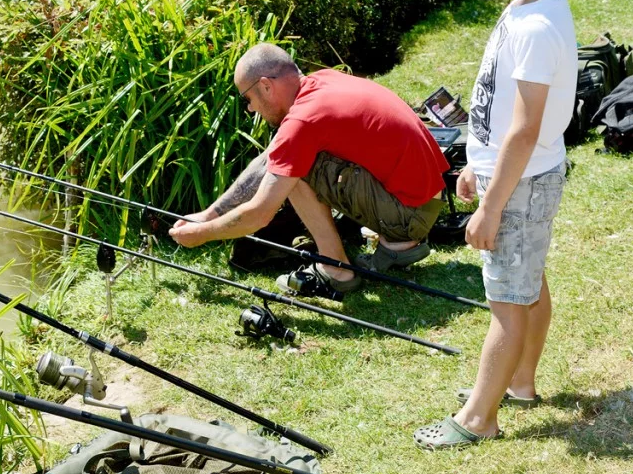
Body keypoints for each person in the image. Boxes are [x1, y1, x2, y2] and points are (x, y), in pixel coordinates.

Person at [413, 0, 576, 449]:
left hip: (521, 184)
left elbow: (527, 129)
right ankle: (523, 381)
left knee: (506, 300)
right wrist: (478, 164)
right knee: (527, 280)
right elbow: (500, 106)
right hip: (515, 177)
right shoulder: (525, 8)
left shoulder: (538, 27)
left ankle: (478, 417)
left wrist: (491, 206)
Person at [168, 43, 449, 293]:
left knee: (296, 169)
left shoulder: (302, 121)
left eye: (248, 99)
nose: (251, 109)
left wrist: (201, 235)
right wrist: (208, 215)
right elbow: (271, 157)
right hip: (425, 202)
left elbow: (259, 214)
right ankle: (396, 246)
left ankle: (336, 270)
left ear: (266, 85)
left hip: (409, 215)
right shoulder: (321, 82)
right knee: (287, 155)